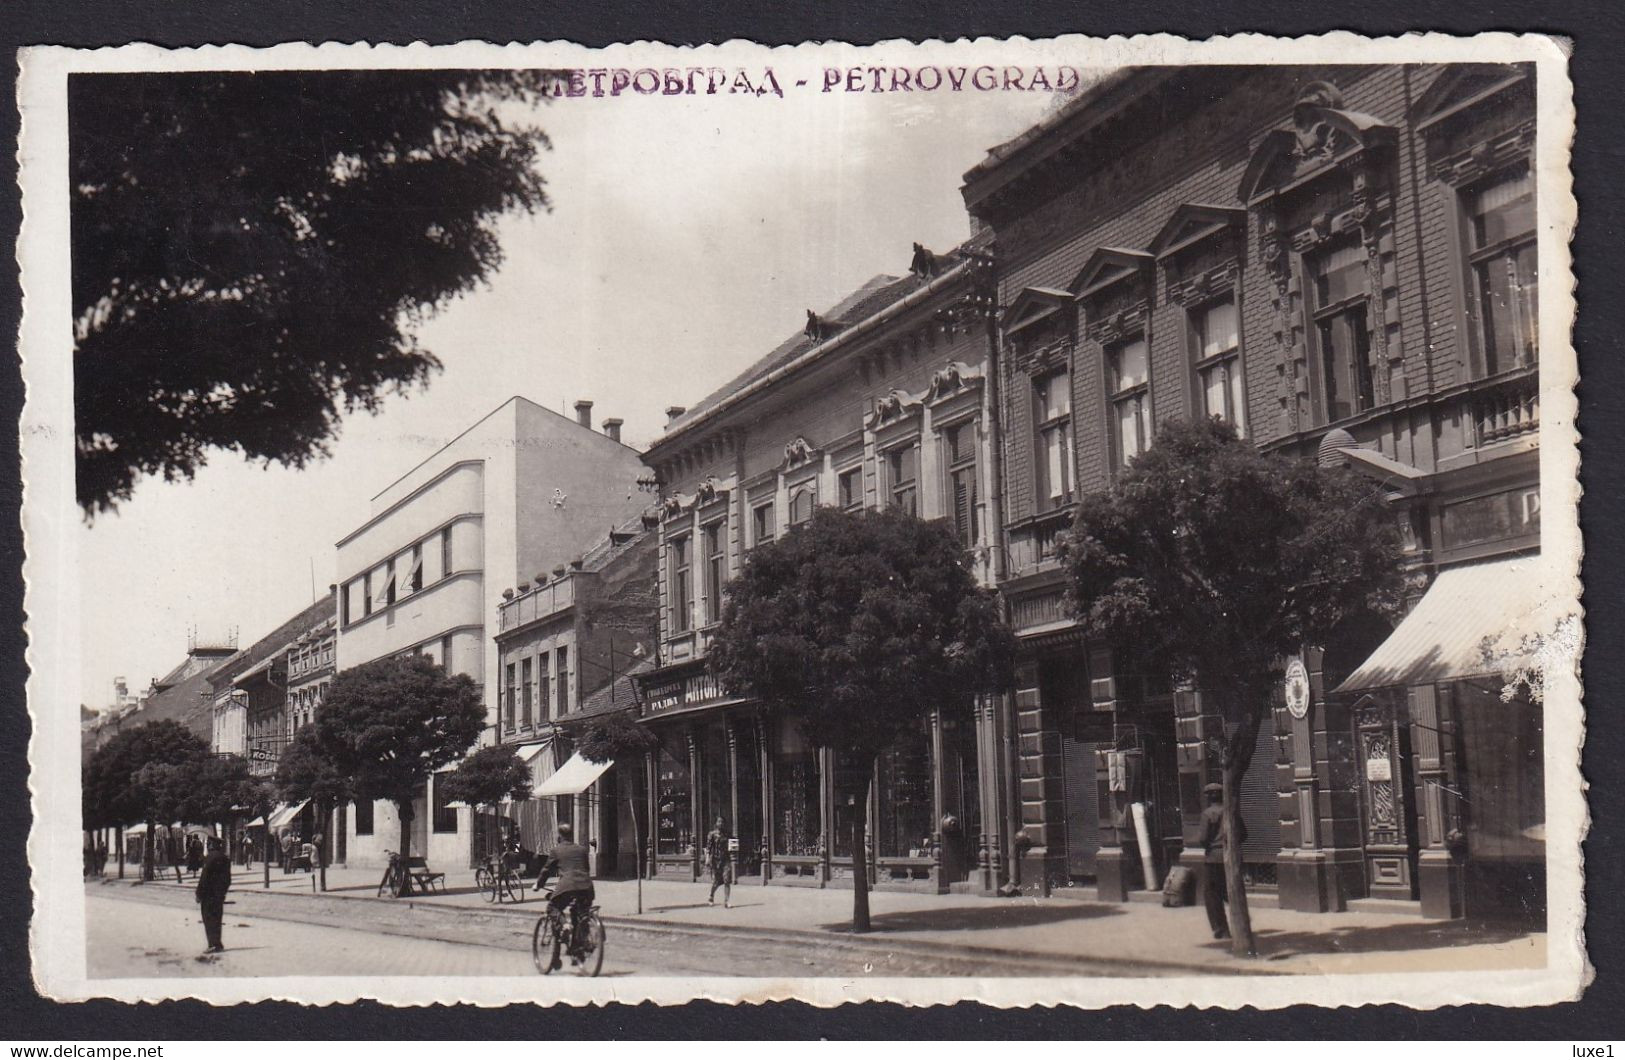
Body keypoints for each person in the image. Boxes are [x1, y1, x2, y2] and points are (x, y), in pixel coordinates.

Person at [531, 823, 594, 971]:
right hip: (586, 887)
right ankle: (578, 948)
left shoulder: (556, 851)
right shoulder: (582, 850)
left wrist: (538, 885)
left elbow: (546, 870)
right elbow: (586, 869)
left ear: (560, 835)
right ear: (572, 835)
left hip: (567, 886)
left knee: (552, 907)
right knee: (579, 913)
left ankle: (564, 925)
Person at [1197, 782, 1246, 941]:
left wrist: (1211, 844)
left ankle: (1221, 928)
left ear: (1209, 797)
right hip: (1232, 857)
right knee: (1232, 891)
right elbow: (1244, 834)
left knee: (1212, 894)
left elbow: (1203, 839)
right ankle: (1242, 924)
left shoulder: (1208, 814)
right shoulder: (1231, 811)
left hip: (1213, 858)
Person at [195, 837, 231, 953]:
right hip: (219, 895)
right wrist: (223, 892)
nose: (208, 845)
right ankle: (218, 943)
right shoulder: (225, 858)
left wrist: (199, 893)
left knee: (209, 918)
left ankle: (212, 944)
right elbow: (228, 879)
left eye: (208, 844)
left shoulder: (210, 858)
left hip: (208, 895)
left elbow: (204, 878)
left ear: (211, 845)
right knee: (217, 918)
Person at [704, 816, 733, 908]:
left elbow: (732, 844)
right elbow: (708, 847)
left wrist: (734, 848)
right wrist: (707, 858)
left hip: (726, 859)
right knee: (716, 881)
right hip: (716, 860)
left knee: (727, 880)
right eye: (719, 822)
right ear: (716, 823)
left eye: (722, 822)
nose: (720, 823)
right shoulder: (712, 834)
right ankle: (711, 896)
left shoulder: (727, 834)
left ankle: (727, 901)